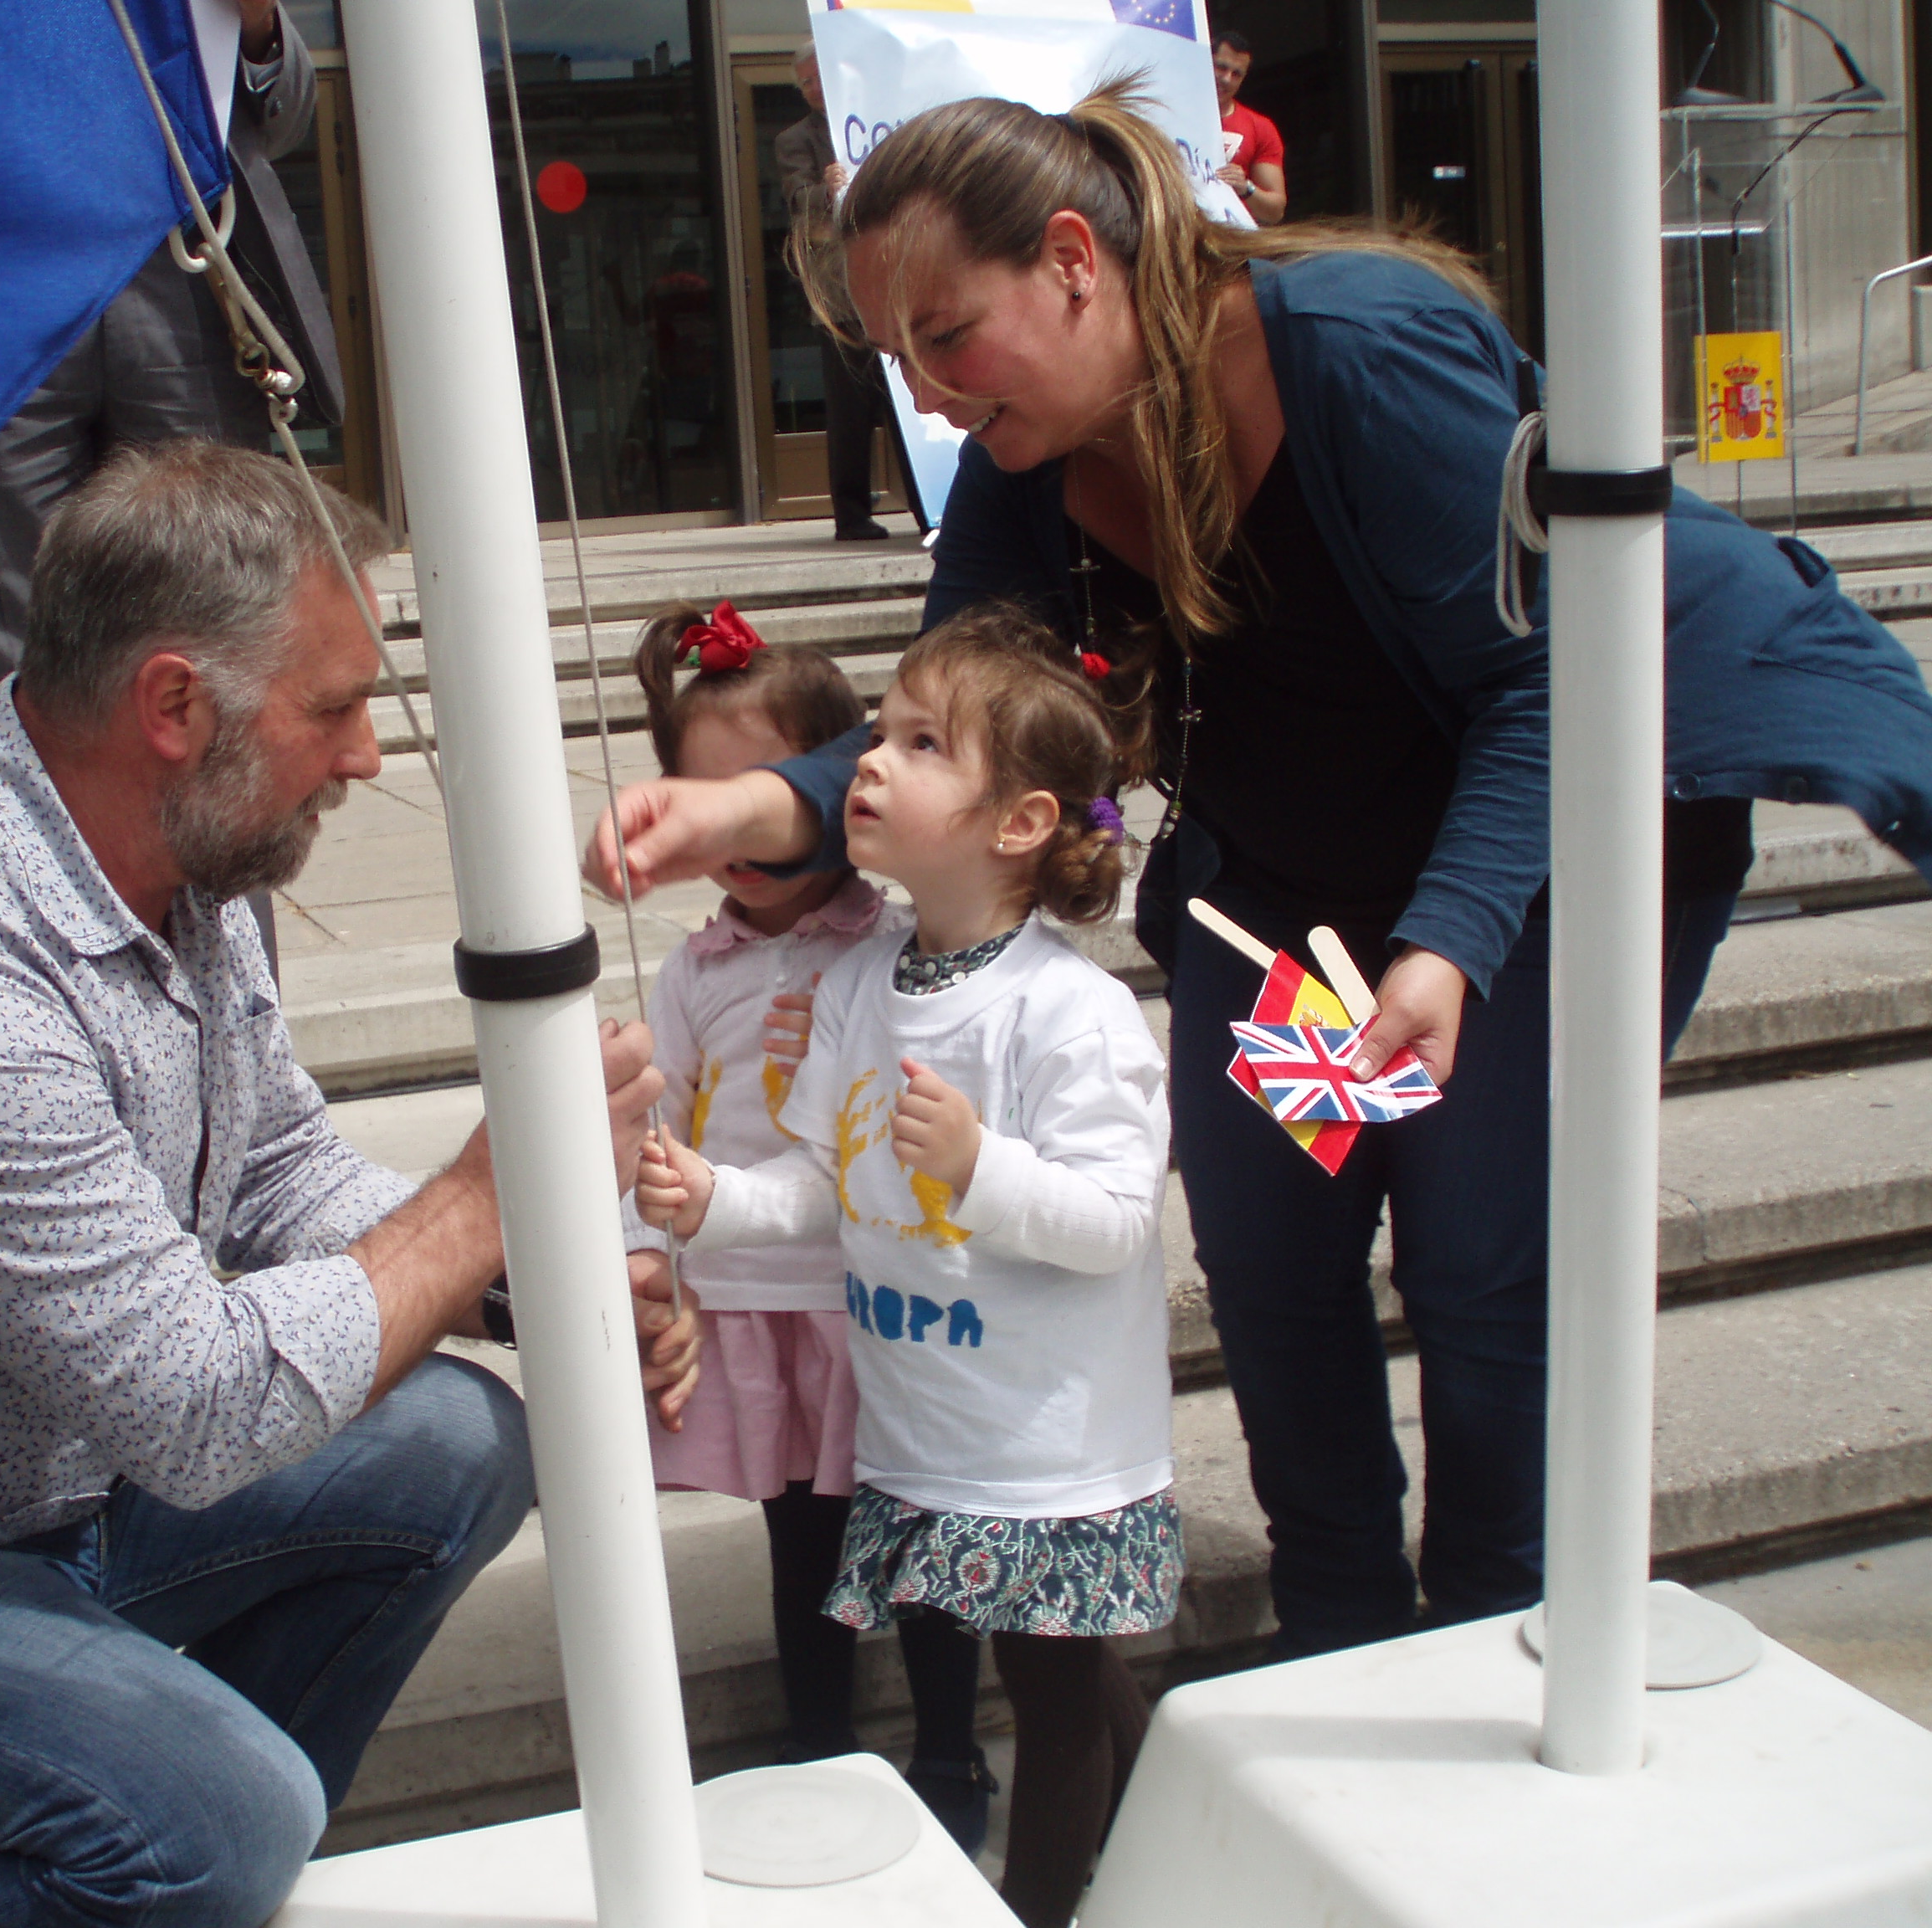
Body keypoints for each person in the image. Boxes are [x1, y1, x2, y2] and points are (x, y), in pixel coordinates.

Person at [587, 89, 1932, 1662]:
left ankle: (1502, 1637)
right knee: (1281, 1260)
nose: (935, 401)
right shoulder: (1029, 473)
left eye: (948, 338)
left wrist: (1445, 945)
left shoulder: (1355, 346)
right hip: (1287, 887)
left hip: (1543, 837)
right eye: (902, 363)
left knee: (1482, 1266)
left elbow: (1545, 686)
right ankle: (1343, 1636)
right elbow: (954, 720)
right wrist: (737, 805)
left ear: (1074, 261)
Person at [0, 440, 700, 1928]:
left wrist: (524, 1267)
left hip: (61, 1492)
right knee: (224, 1817)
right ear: (176, 704)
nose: (368, 752)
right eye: (332, 708)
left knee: (454, 1437)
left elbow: (273, 1166)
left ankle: (151, 1841)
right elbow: (196, 1410)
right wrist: (475, 1205)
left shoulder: (176, 851)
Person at [639, 608, 1176, 1928]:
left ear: (1018, 822)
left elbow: (1117, 1216)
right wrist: (716, 1199)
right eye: (880, 735)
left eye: (922, 744)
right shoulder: (865, 981)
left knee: (1048, 1702)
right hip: (932, 1422)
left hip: (1046, 1439)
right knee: (1058, 1669)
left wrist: (980, 1165)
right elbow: (826, 1181)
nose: (870, 764)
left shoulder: (1070, 1010)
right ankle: (1184, 1809)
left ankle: (1048, 1908)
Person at [621, 603, 997, 1850]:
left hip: (875, 1299)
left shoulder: (893, 948)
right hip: (759, 1305)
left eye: (763, 794)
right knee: (806, 1543)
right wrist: (651, 1239)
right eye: (702, 793)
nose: (736, 830)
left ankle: (950, 1753)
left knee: (924, 1525)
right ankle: (817, 1744)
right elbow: (654, 1125)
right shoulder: (695, 973)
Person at [0, 0, 342, 721]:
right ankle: (17, 835)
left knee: (217, 629)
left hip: (178, 286)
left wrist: (260, 21)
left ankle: (210, 834)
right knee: (5, 668)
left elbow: (282, 118)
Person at [778, 42, 924, 540]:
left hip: (900, 287)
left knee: (910, 406)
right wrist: (828, 188)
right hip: (841, 298)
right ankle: (852, 515)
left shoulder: (882, 118)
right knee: (850, 410)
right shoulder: (796, 140)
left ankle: (929, 509)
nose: (815, 89)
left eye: (819, 77)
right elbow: (798, 201)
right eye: (805, 83)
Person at [1212, 28, 1287, 226]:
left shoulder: (1260, 127)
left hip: (1232, 242)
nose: (1227, 78)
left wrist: (1246, 188)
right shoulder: (1171, 113)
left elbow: (1276, 210)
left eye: (1236, 74)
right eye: (1221, 67)